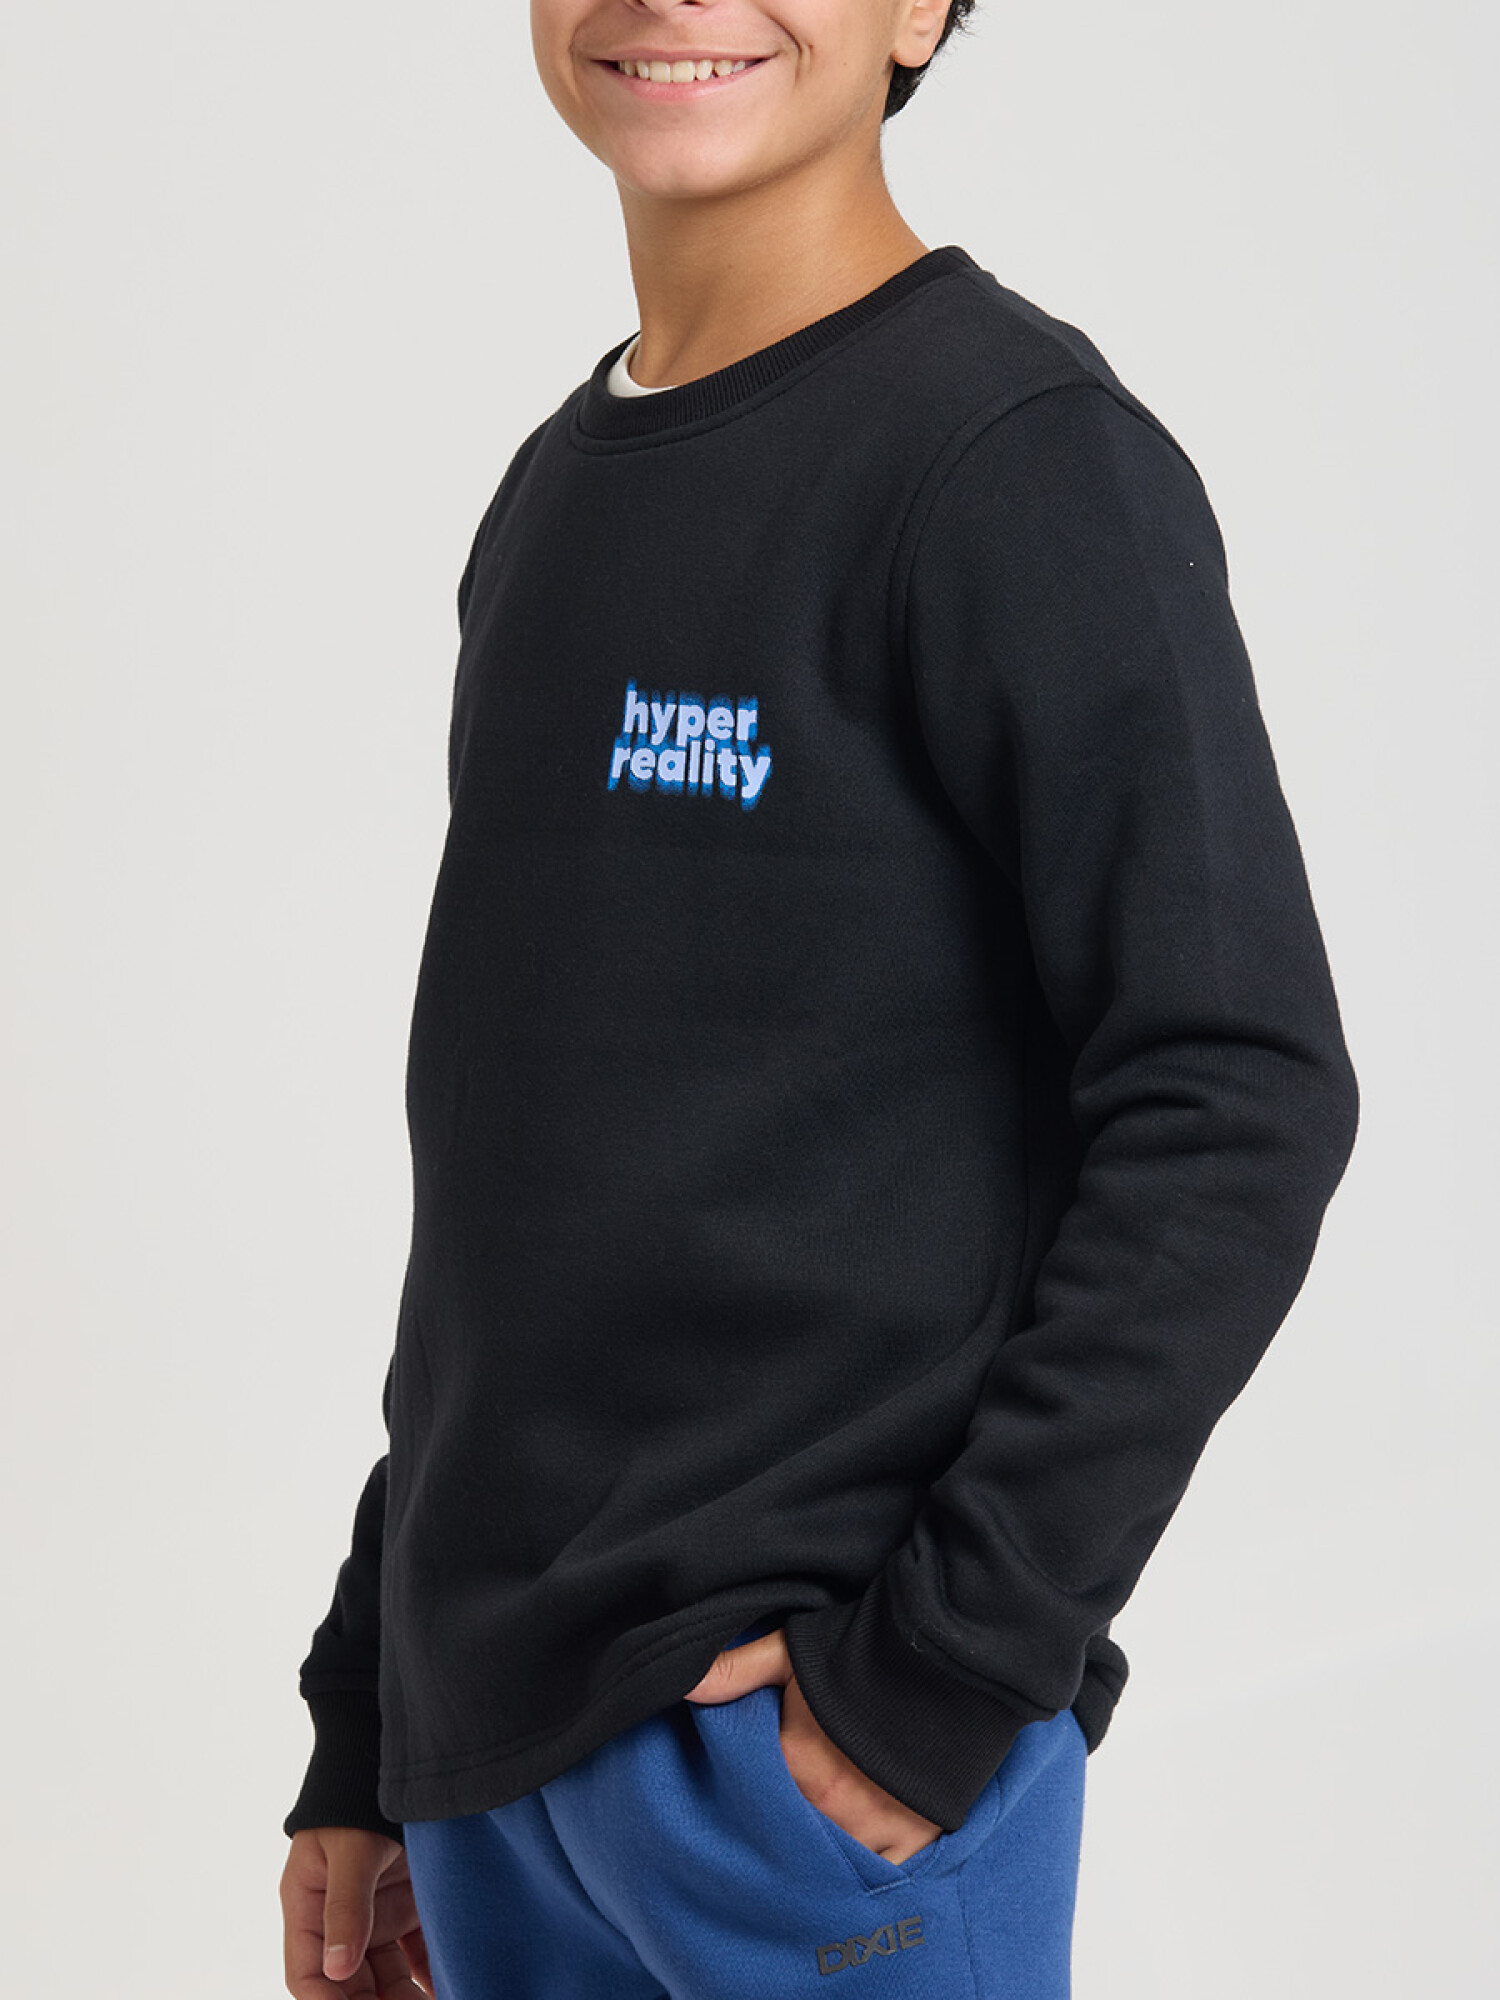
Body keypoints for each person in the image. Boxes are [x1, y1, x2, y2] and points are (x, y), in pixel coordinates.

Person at [278, 2, 1361, 1994]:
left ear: (923, 8)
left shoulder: (1015, 454)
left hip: (809, 1757)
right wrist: (371, 1700)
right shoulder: (547, 500)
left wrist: (946, 1660)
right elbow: (517, 1195)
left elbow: (1237, 1088)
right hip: (495, 1770)